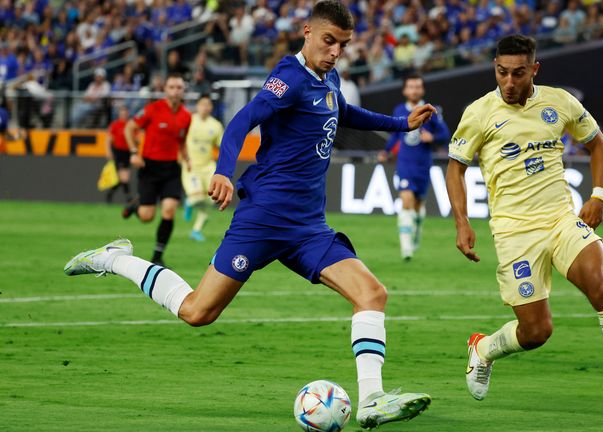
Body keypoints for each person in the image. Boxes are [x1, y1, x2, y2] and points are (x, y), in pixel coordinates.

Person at [64, 1, 435, 429]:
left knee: (372, 294)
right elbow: (242, 120)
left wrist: (401, 124)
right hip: (262, 219)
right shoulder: (289, 78)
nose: (335, 52)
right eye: (329, 41)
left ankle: (372, 400)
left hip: (307, 227)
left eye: (343, 45)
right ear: (306, 32)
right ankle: (113, 258)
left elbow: (346, 112)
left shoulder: (328, 77)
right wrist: (224, 171)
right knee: (197, 312)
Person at [445, 34, 603, 418]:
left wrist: (598, 195)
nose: (510, 82)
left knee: (602, 286)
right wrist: (462, 222)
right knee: (536, 332)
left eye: (518, 73)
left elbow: (599, 144)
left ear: (534, 69)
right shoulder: (480, 113)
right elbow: (456, 167)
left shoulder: (559, 101)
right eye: (502, 73)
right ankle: (483, 349)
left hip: (561, 220)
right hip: (515, 233)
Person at [121, 73, 192, 267]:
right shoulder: (153, 109)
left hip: (171, 168)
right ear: (165, 90)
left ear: (183, 91)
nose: (175, 91)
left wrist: (186, 157)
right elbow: (129, 127)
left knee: (169, 211)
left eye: (179, 87)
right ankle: (137, 206)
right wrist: (134, 152)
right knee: (147, 216)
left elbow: (182, 141)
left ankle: (157, 255)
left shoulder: (186, 116)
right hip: (150, 167)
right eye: (172, 87)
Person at [378, 73, 449, 260]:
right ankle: (406, 248)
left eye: (417, 87)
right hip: (405, 164)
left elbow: (445, 134)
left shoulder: (431, 111)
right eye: (411, 86)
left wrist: (432, 138)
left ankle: (416, 232)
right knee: (406, 201)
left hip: (423, 165)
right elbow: (395, 134)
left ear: (422, 89)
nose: (414, 90)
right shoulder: (399, 109)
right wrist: (387, 151)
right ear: (404, 90)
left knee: (417, 207)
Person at [182, 94, 223, 242]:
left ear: (211, 108)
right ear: (197, 106)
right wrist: (184, 158)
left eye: (208, 105)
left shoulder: (216, 125)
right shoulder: (189, 121)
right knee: (198, 197)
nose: (205, 108)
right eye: (202, 104)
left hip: (208, 167)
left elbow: (221, 146)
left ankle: (196, 231)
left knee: (211, 200)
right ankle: (189, 203)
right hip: (192, 166)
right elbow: (180, 140)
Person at [104, 105, 135, 204]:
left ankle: (110, 193)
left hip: (127, 152)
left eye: (125, 112)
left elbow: (136, 138)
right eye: (122, 112)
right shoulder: (115, 125)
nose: (124, 114)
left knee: (122, 178)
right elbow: (108, 139)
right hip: (118, 152)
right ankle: (129, 198)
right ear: (119, 114)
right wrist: (108, 151)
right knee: (124, 177)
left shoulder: (131, 125)